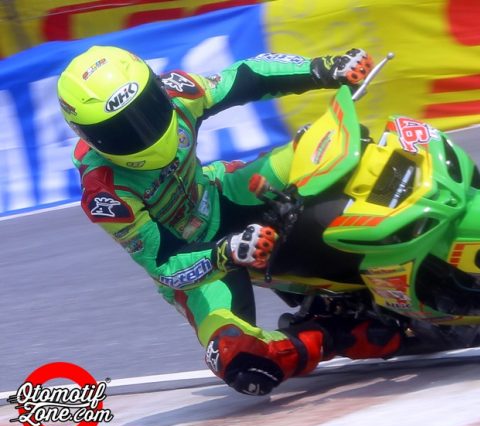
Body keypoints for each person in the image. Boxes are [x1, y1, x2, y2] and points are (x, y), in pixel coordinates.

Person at [57, 45, 403, 396]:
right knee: (238, 359)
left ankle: (402, 199)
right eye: (121, 131)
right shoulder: (105, 193)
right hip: (197, 261)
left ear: (157, 88)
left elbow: (247, 76)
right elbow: (163, 264)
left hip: (222, 193)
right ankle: (331, 333)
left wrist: (322, 68)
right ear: (90, 138)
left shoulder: (179, 92)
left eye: (149, 109)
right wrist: (225, 252)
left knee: (325, 148)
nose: (143, 132)